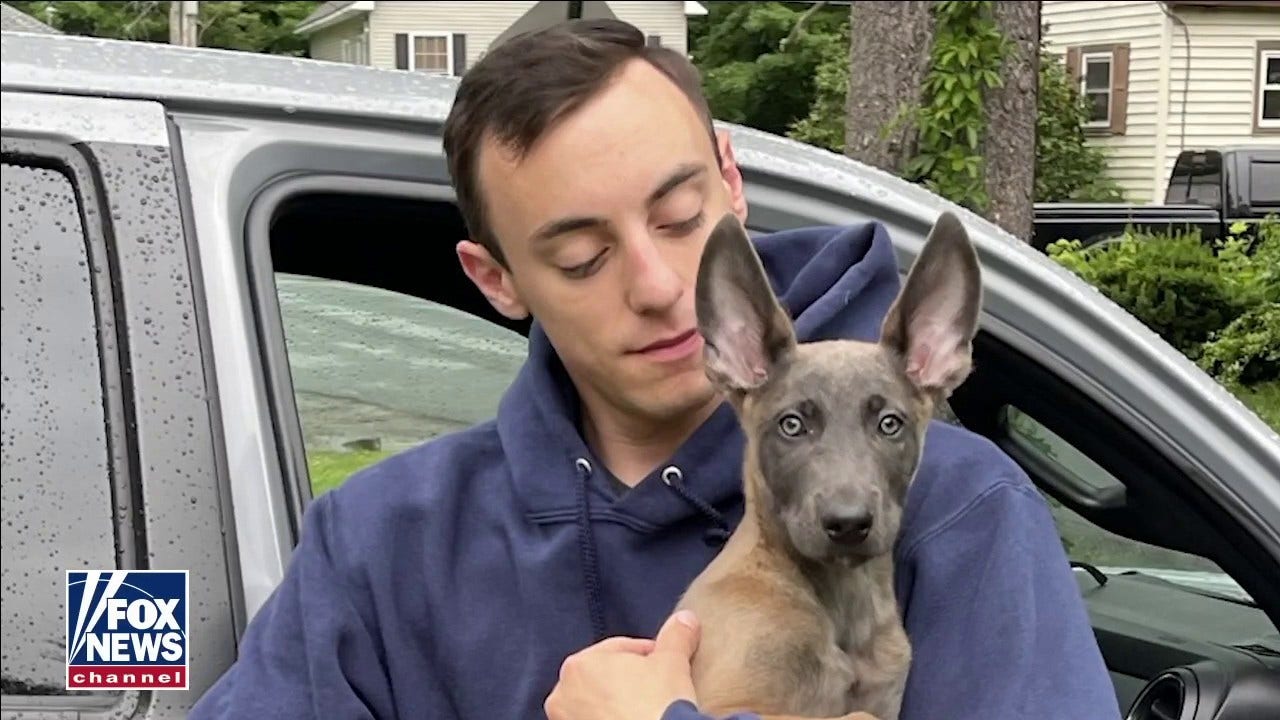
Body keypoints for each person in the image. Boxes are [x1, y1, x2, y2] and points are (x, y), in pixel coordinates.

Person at [189, 18, 1120, 720]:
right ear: (497, 279)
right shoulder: (386, 542)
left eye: (680, 217)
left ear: (731, 176)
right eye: (583, 257)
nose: (659, 284)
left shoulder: (956, 512)